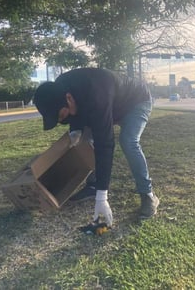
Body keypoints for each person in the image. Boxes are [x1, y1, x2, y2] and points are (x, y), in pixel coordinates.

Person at [33, 68, 159, 226]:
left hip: (135, 101)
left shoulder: (97, 94)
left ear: (68, 98)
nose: (60, 121)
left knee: (128, 141)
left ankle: (148, 194)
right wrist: (75, 132)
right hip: (110, 104)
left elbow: (105, 144)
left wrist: (102, 198)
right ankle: (93, 185)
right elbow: (78, 112)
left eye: (60, 116)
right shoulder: (60, 89)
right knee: (84, 141)